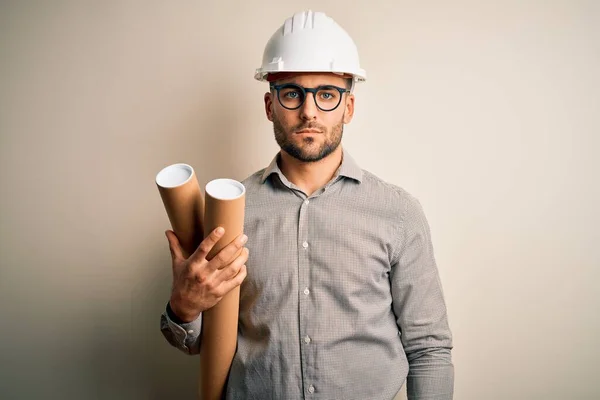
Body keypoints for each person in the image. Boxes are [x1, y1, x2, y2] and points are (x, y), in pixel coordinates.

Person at [160, 10, 454, 400]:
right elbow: (199, 344)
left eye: (327, 94)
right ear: (270, 106)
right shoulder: (230, 213)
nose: (310, 111)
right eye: (292, 92)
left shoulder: (398, 213)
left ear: (348, 107)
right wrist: (182, 308)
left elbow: (429, 348)